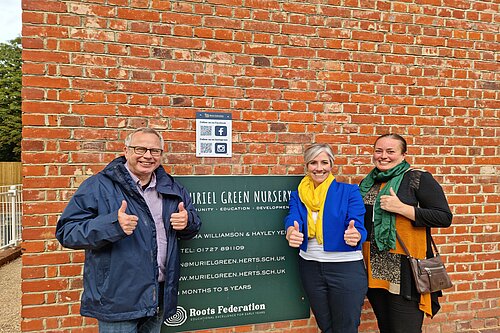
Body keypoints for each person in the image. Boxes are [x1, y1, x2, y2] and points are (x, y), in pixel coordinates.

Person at [56, 127, 202, 333]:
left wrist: (187, 223)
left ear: (161, 154)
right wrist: (112, 225)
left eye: (154, 151)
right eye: (140, 149)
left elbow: (193, 225)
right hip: (118, 299)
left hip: (157, 294)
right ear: (126, 151)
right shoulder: (98, 186)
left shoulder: (172, 188)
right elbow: (67, 232)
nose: (148, 156)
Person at [359, 133, 453, 333]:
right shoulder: (369, 182)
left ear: (403, 154)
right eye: (379, 151)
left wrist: (402, 208)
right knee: (386, 327)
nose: (383, 156)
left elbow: (444, 217)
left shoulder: (418, 178)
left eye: (390, 151)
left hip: (405, 270)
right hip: (374, 269)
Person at [284, 143, 368, 333]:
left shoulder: (349, 191)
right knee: (325, 326)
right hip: (311, 267)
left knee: (346, 327)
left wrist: (356, 235)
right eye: (313, 162)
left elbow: (359, 225)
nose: (319, 168)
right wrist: (291, 231)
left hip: (345, 269)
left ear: (331, 165)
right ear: (306, 166)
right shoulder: (298, 194)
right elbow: (293, 217)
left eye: (324, 162)